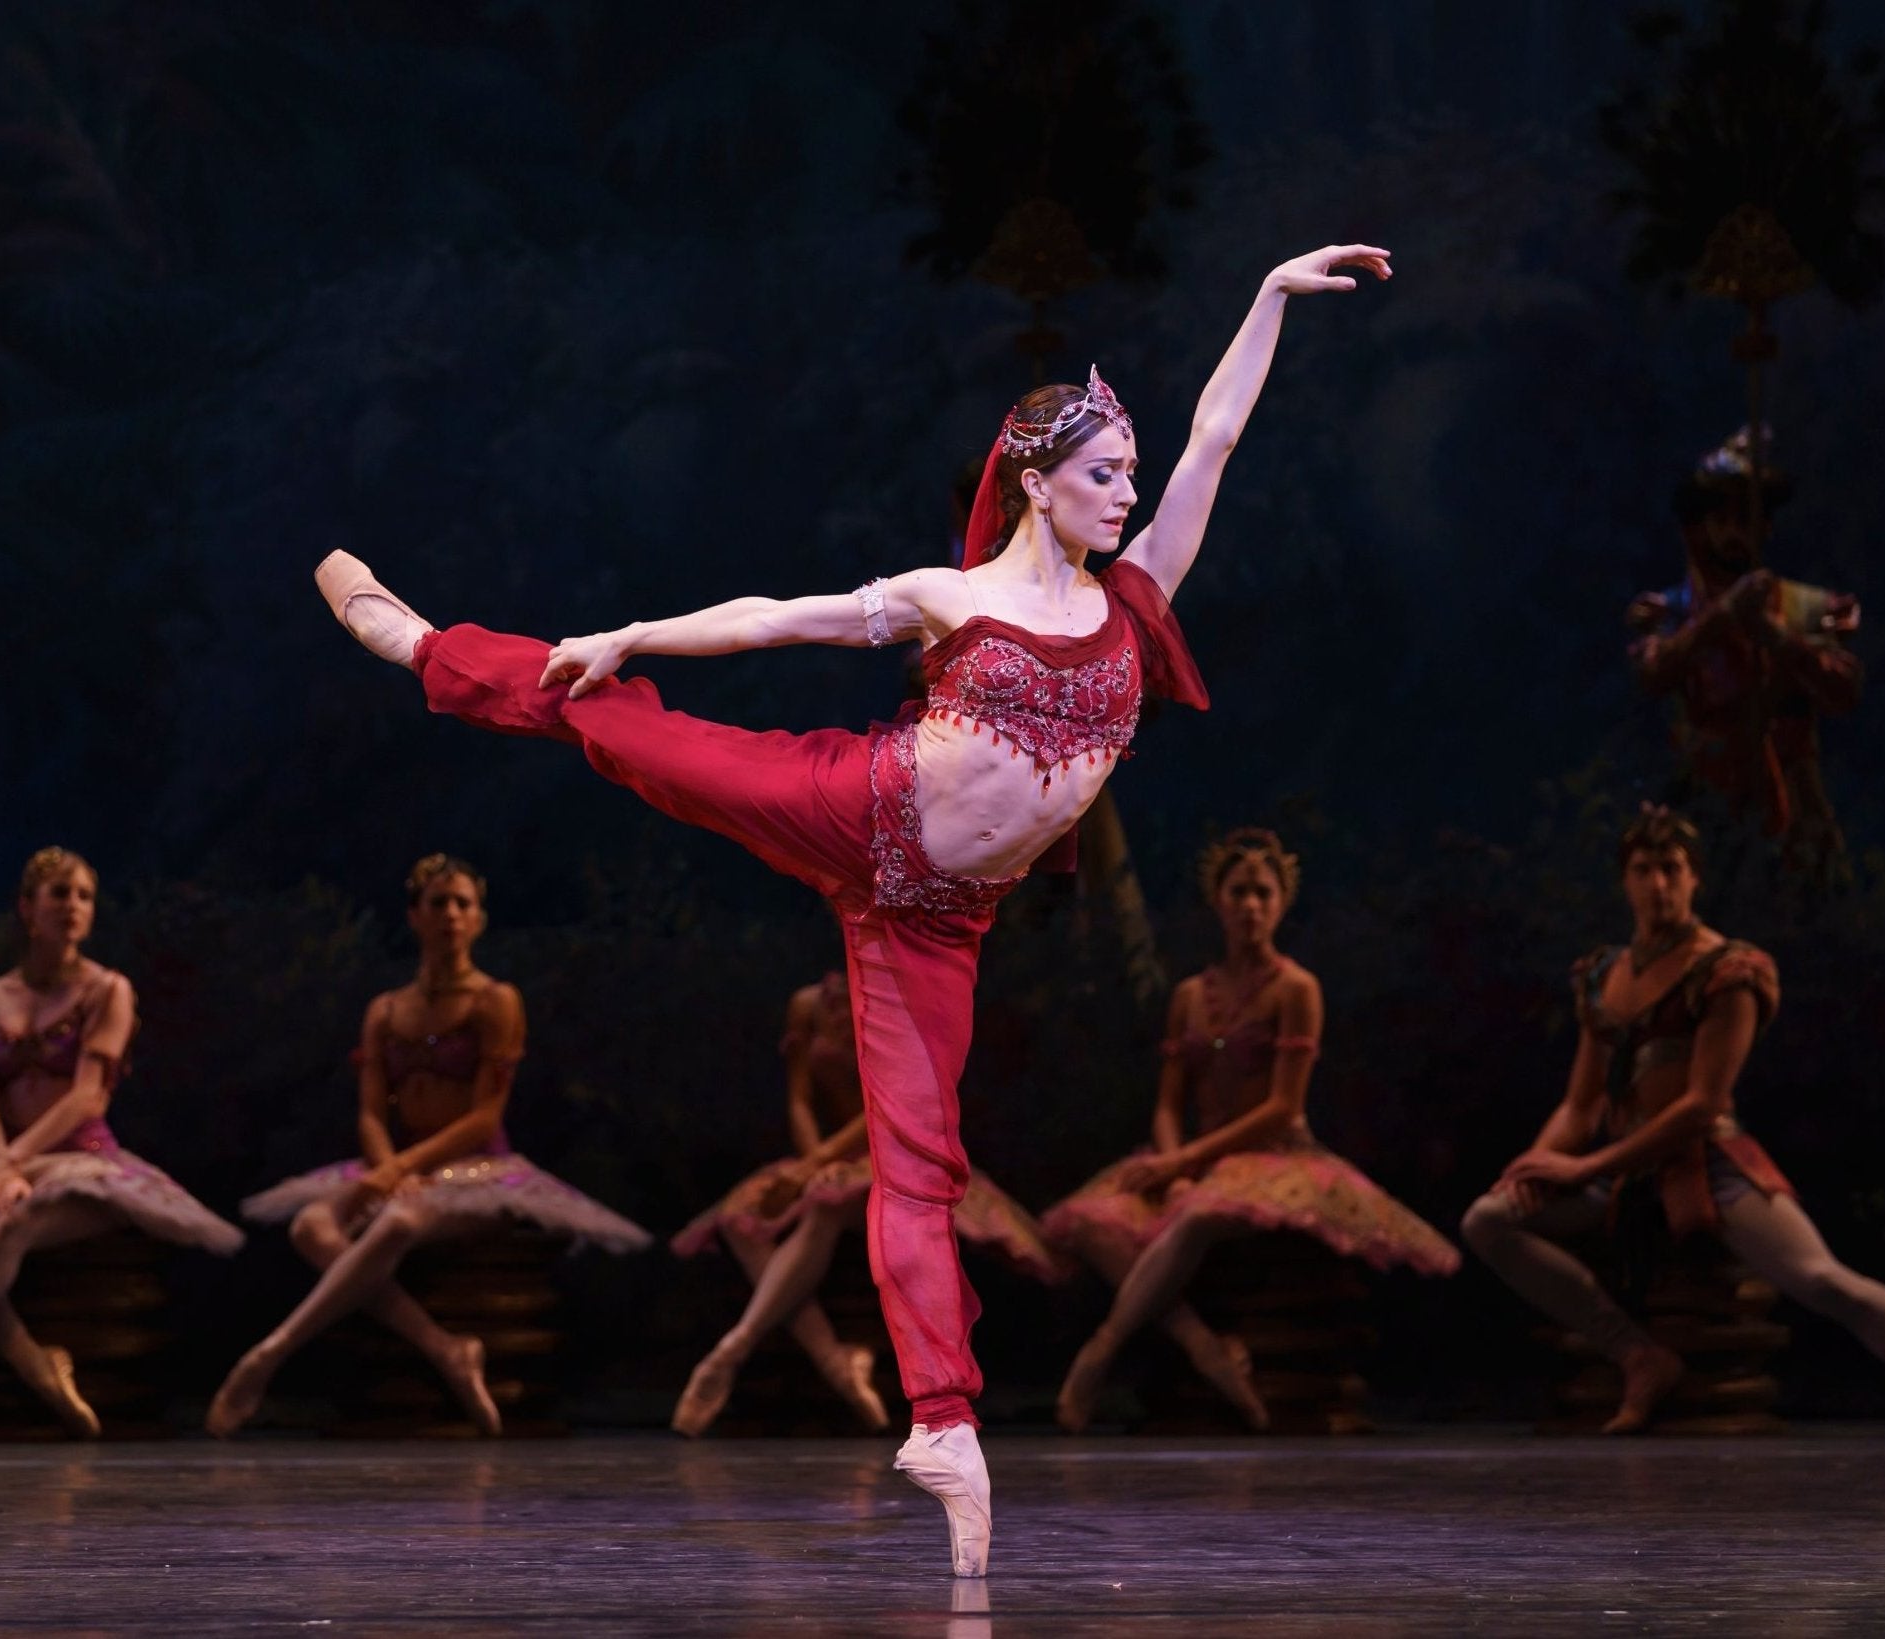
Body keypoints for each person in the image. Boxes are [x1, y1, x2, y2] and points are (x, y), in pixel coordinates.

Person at [311, 240, 1389, 1574]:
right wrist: (633, 634)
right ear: (1037, 480)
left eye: (1127, 472)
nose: (1126, 493)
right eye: (1103, 472)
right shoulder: (955, 595)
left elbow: (1217, 440)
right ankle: (429, 646)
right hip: (851, 801)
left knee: (920, 1163)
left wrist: (1269, 295)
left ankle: (942, 1421)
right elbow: (777, 620)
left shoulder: (1138, 599)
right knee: (632, 732)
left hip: (935, 921)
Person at [1460, 807, 1885, 1433]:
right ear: (1625, 881)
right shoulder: (1602, 976)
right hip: (1621, 1177)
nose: (1659, 885)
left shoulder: (1727, 969)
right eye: (1644, 870)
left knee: (1825, 1281)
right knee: (1489, 1219)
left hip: (1709, 1165)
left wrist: (1586, 1163)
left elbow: (1701, 1104)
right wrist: (1540, 1164)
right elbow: (1580, 1104)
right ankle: (1638, 1354)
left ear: (1695, 877)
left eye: (1672, 869)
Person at [206, 855, 650, 1436]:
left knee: (395, 1223)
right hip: (400, 1166)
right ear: (414, 915)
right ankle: (444, 1348)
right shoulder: (386, 1010)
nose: (452, 915)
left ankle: (268, 1355)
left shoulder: (495, 1001)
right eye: (439, 903)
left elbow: (485, 1114)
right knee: (310, 1226)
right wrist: (386, 1167)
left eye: (464, 904)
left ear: (481, 919)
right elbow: (370, 1109)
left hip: (477, 1168)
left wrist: (402, 1171)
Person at [1048, 828, 1458, 1431]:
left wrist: (1183, 1165)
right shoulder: (1191, 994)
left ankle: (1100, 1352)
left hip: (1274, 1157)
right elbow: (1168, 1103)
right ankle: (1203, 1346)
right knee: (1091, 1224)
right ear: (1217, 901)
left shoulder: (1297, 989)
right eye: (1239, 892)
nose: (1251, 906)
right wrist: (1171, 1162)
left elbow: (1281, 1108)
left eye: (1264, 893)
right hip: (1200, 1157)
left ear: (1282, 903)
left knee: (1199, 1215)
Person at [0, 847, 243, 1443]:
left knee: (17, 1217)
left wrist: (18, 1164)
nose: (74, 906)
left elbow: (89, 1098)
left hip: (82, 1161)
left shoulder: (108, 989)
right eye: (60, 893)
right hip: (3, 1155)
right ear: (27, 908)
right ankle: (37, 1364)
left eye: (85, 895)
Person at [669, 967, 1065, 1437]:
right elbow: (799, 1098)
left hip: (895, 1152)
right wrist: (809, 1164)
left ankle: (731, 1351)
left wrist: (818, 1163)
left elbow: (887, 1101)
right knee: (742, 1219)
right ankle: (837, 1364)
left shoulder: (900, 987)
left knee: (824, 1205)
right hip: (827, 1154)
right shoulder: (809, 1003)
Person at [1627, 426, 1862, 881]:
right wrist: (1723, 618)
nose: (1735, 532)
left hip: (1795, 820)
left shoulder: (1806, 607)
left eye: (1746, 519)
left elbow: (1843, 691)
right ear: (1704, 527)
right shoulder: (1669, 612)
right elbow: (1653, 674)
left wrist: (1773, 635)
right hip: (1707, 814)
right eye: (1722, 520)